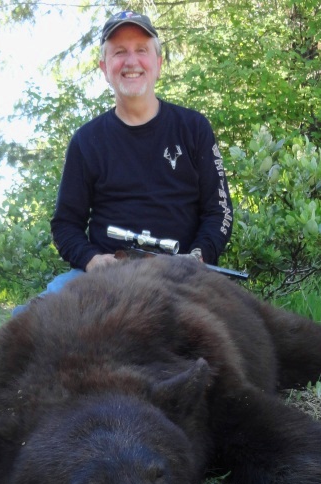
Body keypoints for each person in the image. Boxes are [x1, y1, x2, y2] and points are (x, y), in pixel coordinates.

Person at [16, 10, 233, 312]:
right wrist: (92, 260)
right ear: (104, 67)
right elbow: (66, 225)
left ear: (158, 63)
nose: (131, 62)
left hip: (183, 276)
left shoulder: (194, 128)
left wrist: (198, 257)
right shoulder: (86, 141)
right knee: (26, 319)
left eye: (141, 50)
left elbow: (219, 212)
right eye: (119, 52)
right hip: (106, 279)